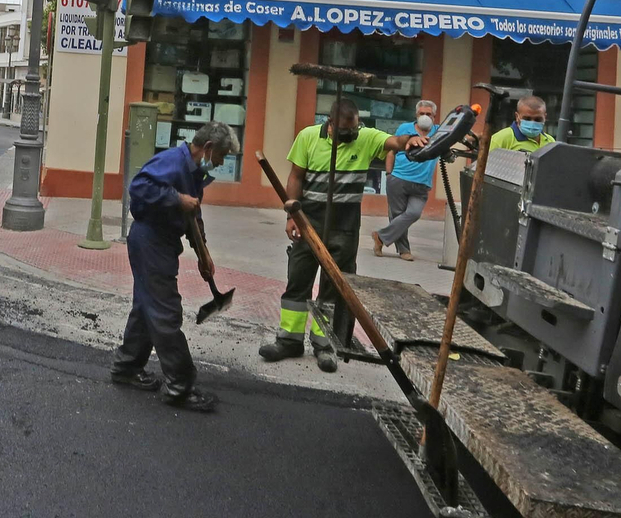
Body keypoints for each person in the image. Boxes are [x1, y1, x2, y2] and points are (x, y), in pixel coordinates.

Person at [260, 99, 428, 372]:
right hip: (308, 220)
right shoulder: (308, 137)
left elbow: (395, 142)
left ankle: (324, 345)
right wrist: (292, 215)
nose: (351, 134)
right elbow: (296, 177)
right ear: (330, 124)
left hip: (344, 226)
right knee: (298, 281)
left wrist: (409, 140)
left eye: (354, 128)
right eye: (345, 130)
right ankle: (288, 340)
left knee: (333, 287)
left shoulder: (365, 137)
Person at [110, 121, 235, 412]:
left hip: (162, 242)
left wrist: (203, 252)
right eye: (222, 155)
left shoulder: (195, 173)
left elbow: (193, 213)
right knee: (165, 311)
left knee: (146, 307)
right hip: (149, 239)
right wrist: (177, 198)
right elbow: (138, 187)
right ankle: (180, 386)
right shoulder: (172, 161)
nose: (222, 162)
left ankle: (126, 367)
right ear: (208, 148)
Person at [373, 99, 440, 262]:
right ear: (416, 114)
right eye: (422, 113)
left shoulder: (439, 132)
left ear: (434, 116)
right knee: (397, 215)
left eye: (428, 114)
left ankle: (380, 236)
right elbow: (392, 151)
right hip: (399, 178)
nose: (425, 116)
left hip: (422, 183)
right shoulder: (405, 129)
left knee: (414, 213)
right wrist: (389, 174)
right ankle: (404, 250)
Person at [490, 95, 555, 153]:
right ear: (517, 116)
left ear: (545, 117)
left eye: (538, 119)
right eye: (527, 119)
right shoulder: (501, 139)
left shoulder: (551, 142)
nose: (532, 123)